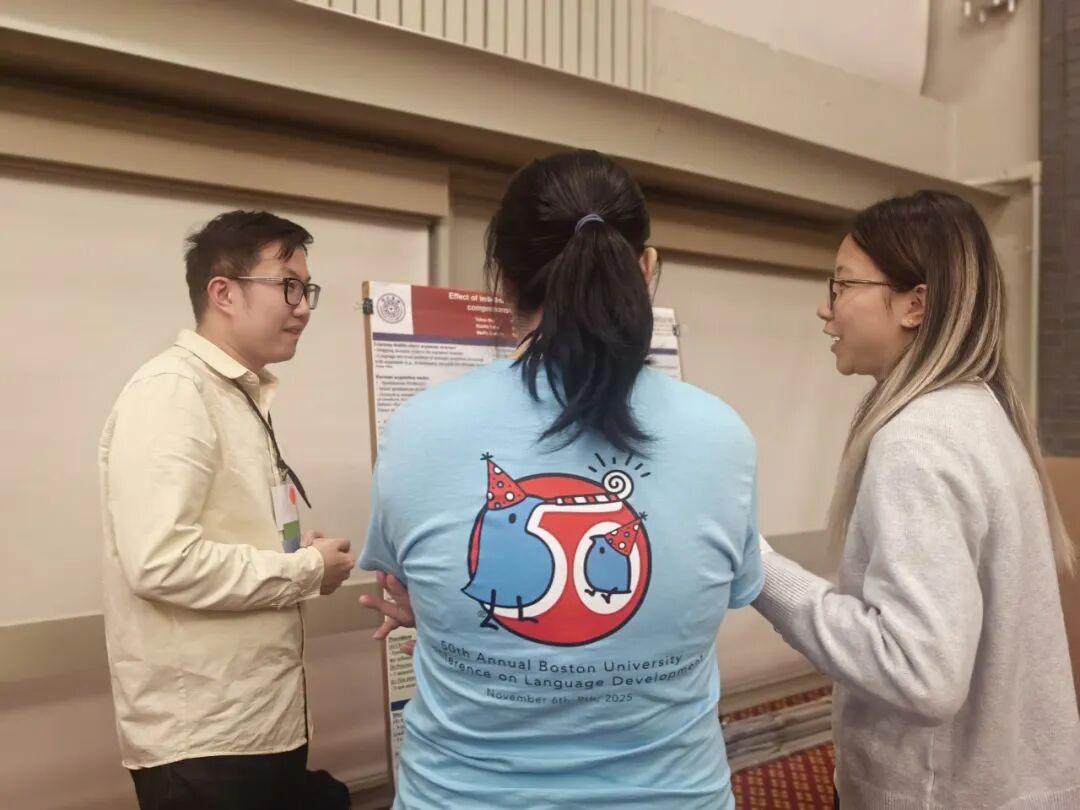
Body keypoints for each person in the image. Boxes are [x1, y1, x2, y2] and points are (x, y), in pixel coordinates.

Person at [358, 150, 762, 809]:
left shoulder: (417, 430)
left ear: (502, 280)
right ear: (645, 269)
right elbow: (722, 589)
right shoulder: (723, 435)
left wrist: (444, 611)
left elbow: (411, 581)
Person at [752, 191, 1080, 809]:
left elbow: (918, 672)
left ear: (915, 304)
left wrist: (764, 574)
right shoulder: (979, 413)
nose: (826, 307)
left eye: (843, 284)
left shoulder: (919, 441)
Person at [98, 210, 355, 810]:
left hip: (256, 725)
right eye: (288, 286)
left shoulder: (237, 393)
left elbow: (212, 537)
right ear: (223, 293)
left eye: (307, 290)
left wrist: (293, 555)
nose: (303, 308)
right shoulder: (174, 391)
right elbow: (160, 561)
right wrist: (305, 571)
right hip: (205, 744)